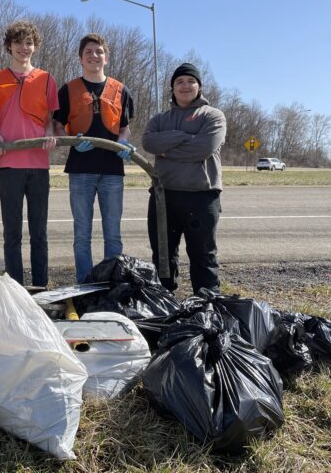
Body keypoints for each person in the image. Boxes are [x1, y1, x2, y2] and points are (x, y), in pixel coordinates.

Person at [53, 33, 135, 283]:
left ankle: (112, 283)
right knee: (82, 234)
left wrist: (123, 142)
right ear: (80, 58)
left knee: (113, 234)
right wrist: (71, 141)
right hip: (81, 170)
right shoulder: (68, 90)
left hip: (112, 170)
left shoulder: (120, 90)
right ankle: (85, 284)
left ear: (106, 58)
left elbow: (124, 127)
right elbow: (57, 126)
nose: (94, 55)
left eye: (98, 51)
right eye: (88, 51)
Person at [0, 20, 58, 287]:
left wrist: (50, 134)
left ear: (34, 47)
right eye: (18, 42)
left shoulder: (46, 79)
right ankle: (14, 288)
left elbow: (50, 119)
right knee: (12, 233)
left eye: (29, 42)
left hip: (39, 165)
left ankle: (40, 287)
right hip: (8, 165)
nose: (23, 48)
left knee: (39, 232)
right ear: (9, 46)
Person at [142, 62, 226, 294]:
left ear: (199, 86)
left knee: (203, 256)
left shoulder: (213, 116)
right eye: (179, 81)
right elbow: (149, 142)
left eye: (191, 81)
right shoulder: (160, 119)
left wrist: (166, 149)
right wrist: (185, 136)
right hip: (163, 196)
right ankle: (165, 303)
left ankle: (207, 306)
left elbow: (204, 148)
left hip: (202, 196)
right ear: (172, 88)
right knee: (163, 256)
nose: (185, 85)